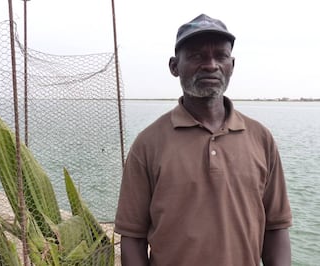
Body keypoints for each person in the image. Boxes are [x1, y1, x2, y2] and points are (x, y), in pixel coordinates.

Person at [114, 14, 292, 266]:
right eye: (196, 56)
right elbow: (132, 236)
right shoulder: (148, 144)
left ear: (232, 64)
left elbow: (276, 227)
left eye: (220, 56)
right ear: (174, 66)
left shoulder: (260, 139)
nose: (210, 65)